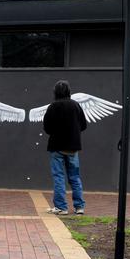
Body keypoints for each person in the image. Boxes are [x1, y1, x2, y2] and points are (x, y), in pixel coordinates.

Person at [43, 80, 87, 215]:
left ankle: (61, 207)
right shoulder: (76, 105)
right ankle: (79, 207)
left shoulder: (52, 107)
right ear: (69, 91)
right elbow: (84, 125)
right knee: (75, 177)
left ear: (55, 92)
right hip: (73, 148)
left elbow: (47, 128)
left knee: (59, 177)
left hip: (57, 147)